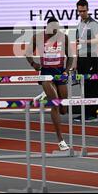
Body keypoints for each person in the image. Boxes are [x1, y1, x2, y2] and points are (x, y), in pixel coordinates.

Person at [26, 17, 74, 151]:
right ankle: (61, 140)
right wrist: (33, 64)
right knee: (56, 104)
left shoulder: (63, 37)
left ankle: (47, 95)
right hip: (46, 74)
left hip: (59, 73)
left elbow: (71, 56)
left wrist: (66, 70)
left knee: (64, 109)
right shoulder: (38, 37)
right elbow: (28, 53)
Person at [74, 0, 98, 123]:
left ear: (88, 9)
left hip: (91, 57)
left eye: (84, 11)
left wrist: (85, 42)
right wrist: (75, 61)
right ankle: (85, 113)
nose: (82, 13)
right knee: (82, 86)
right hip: (81, 58)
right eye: (79, 11)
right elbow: (77, 44)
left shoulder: (93, 23)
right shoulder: (79, 24)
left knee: (91, 85)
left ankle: (92, 114)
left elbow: (97, 40)